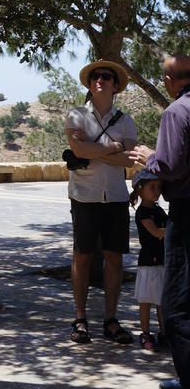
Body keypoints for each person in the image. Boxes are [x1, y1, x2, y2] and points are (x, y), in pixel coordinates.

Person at [128, 53, 190, 389]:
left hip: (185, 209)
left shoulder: (176, 112)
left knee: (178, 297)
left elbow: (170, 166)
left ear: (168, 81)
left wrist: (148, 156)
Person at [65, 59, 137, 344]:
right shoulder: (76, 116)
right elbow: (77, 149)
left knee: (114, 258)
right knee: (82, 257)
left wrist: (90, 150)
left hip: (116, 198)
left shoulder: (126, 121)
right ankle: (81, 318)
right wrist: (113, 147)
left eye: (106, 77)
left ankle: (111, 320)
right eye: (96, 76)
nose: (100, 80)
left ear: (115, 85)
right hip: (84, 196)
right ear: (90, 84)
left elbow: (129, 161)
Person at [129, 169, 166, 351]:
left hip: (162, 261)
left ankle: (164, 333)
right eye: (152, 187)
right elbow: (156, 232)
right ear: (140, 190)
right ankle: (145, 333)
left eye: (159, 187)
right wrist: (175, 228)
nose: (157, 191)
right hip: (149, 263)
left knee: (162, 301)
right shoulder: (143, 213)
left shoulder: (159, 211)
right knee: (146, 300)